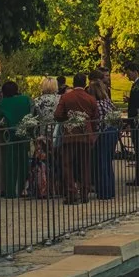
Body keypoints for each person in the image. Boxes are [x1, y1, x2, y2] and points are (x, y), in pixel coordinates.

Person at [54, 73, 98, 204]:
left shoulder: (66, 97)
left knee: (67, 164)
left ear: (73, 83)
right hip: (85, 135)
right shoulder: (91, 99)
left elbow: (58, 115)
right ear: (85, 83)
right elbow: (95, 117)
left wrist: (67, 119)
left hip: (70, 134)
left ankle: (71, 192)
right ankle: (84, 193)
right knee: (85, 164)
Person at [0, 80, 32, 198]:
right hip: (24, 134)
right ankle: (23, 189)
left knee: (10, 164)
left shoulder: (3, 102)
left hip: (10, 136)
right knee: (23, 162)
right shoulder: (25, 99)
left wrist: (4, 124)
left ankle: (11, 191)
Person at [90, 78, 118, 199]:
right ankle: (110, 190)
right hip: (112, 131)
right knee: (108, 161)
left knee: (101, 162)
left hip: (103, 133)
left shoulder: (96, 104)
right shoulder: (108, 102)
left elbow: (98, 123)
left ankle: (103, 191)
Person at [33, 77, 61, 191]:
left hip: (42, 133)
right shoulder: (60, 99)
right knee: (57, 159)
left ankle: (43, 187)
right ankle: (57, 186)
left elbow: (34, 118)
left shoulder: (37, 101)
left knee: (42, 161)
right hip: (57, 132)